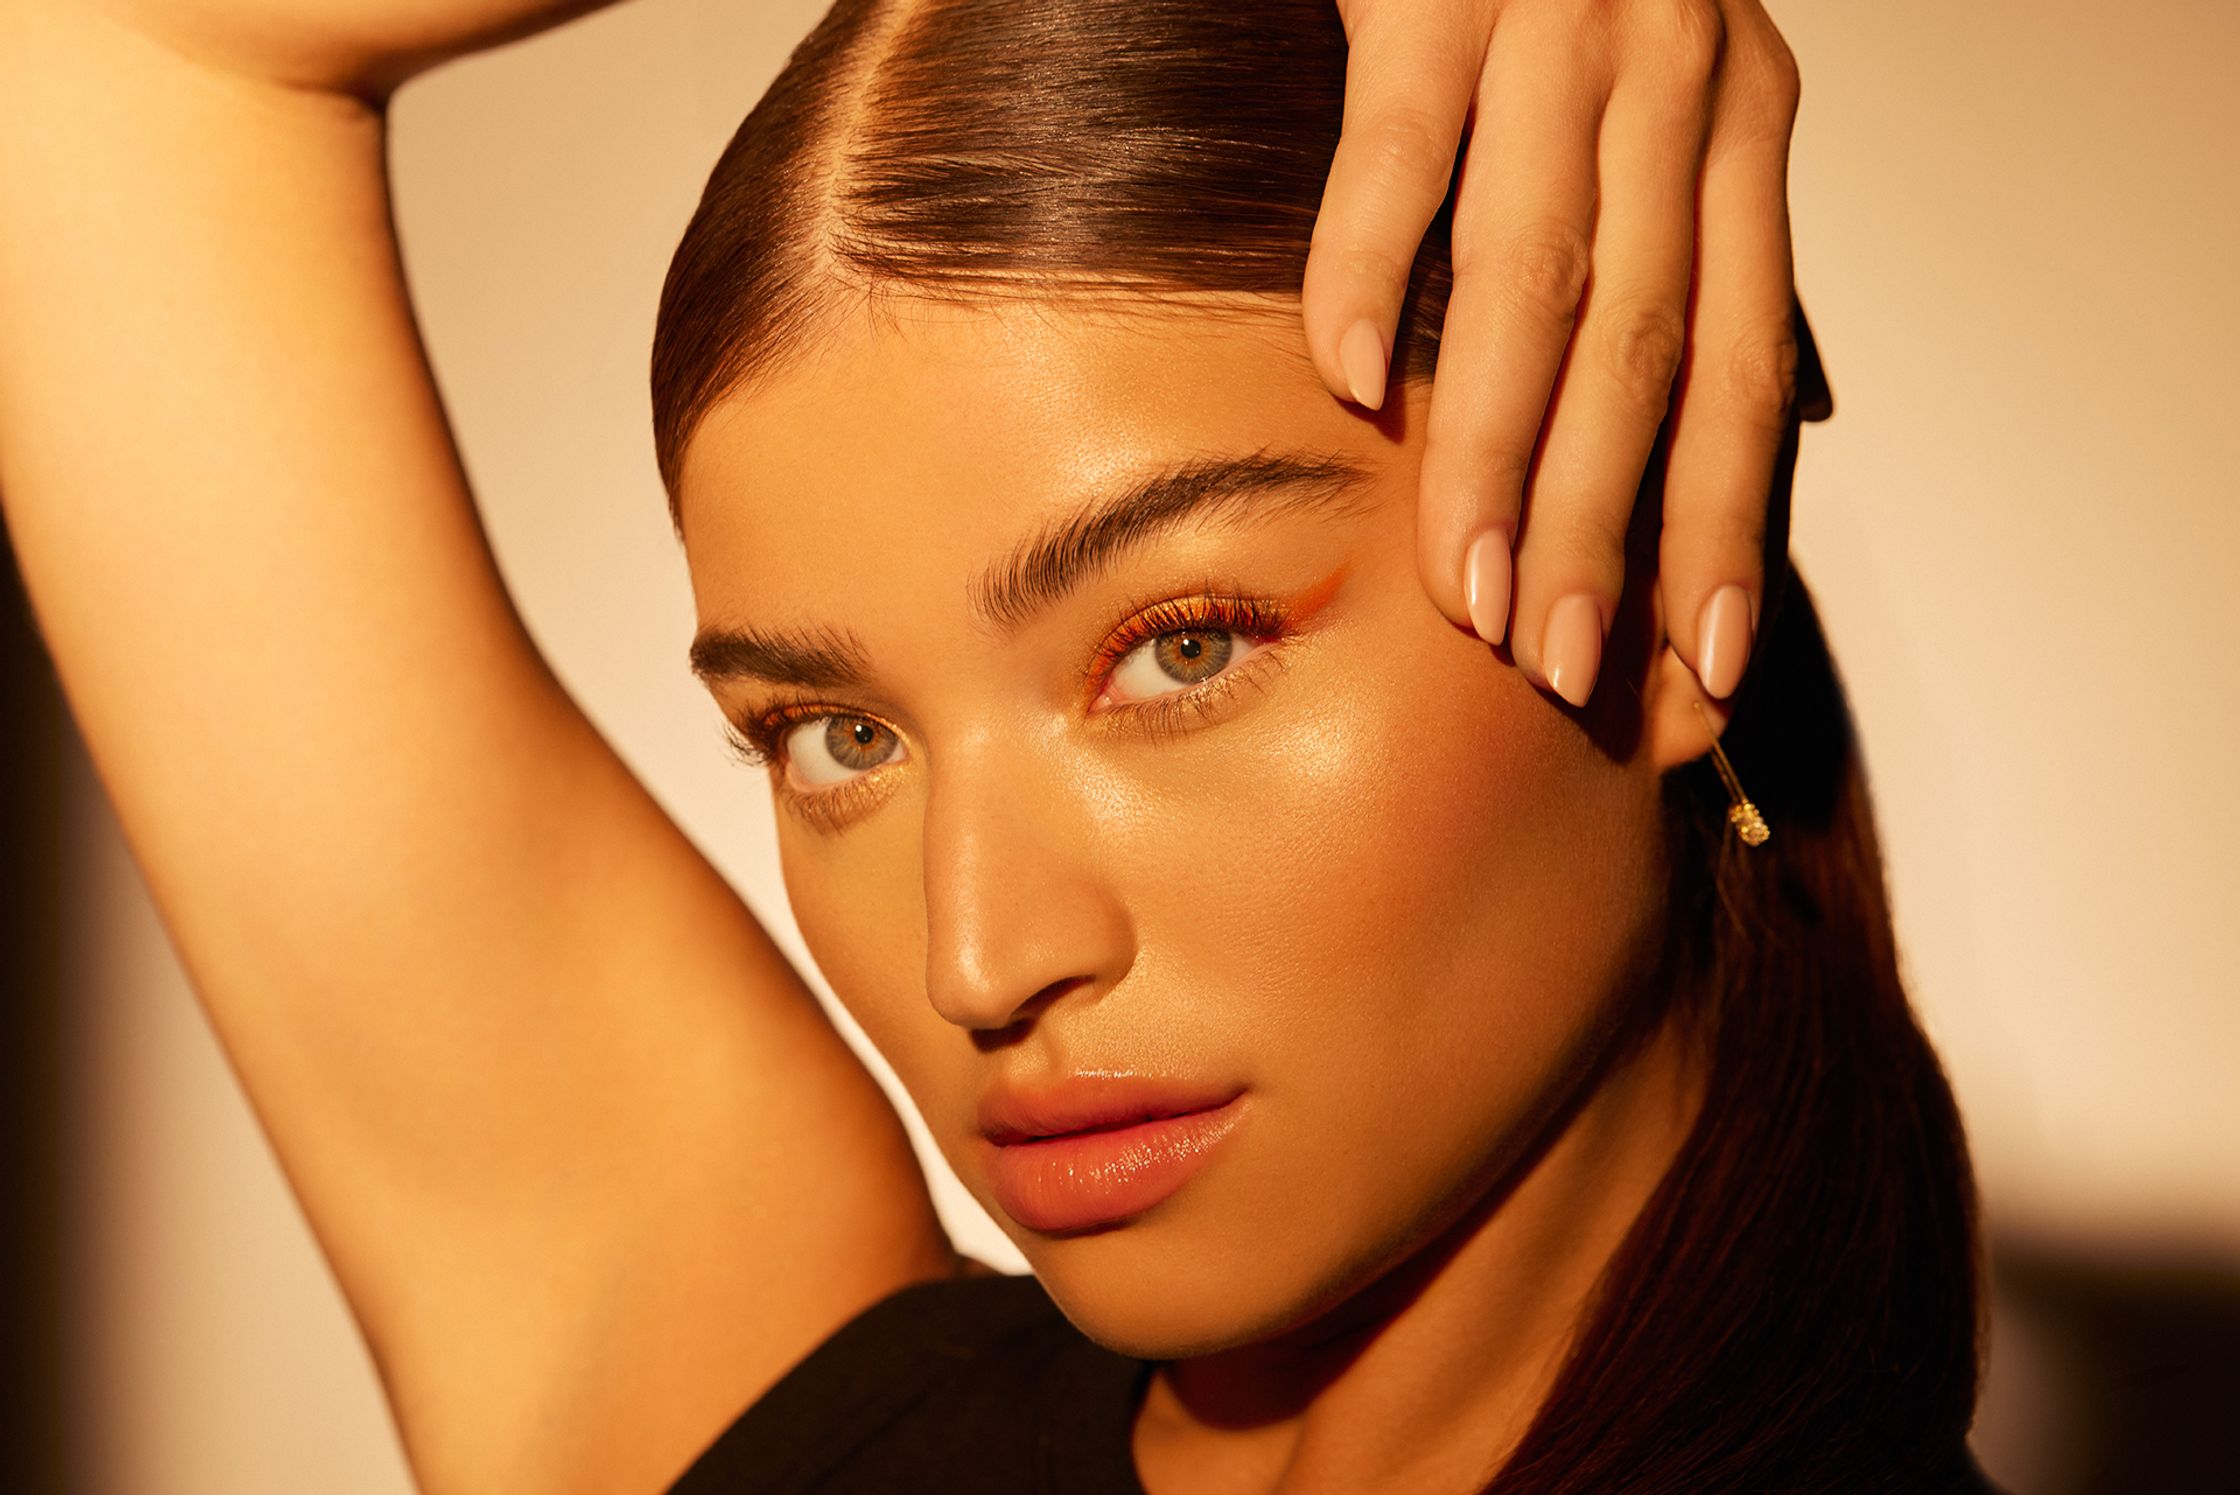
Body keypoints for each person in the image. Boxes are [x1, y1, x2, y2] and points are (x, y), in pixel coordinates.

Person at [0, 0, 1994, 1490]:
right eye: (835, 732)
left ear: (1652, 593)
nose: (977, 954)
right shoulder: (766, 1417)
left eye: (1178, 647)